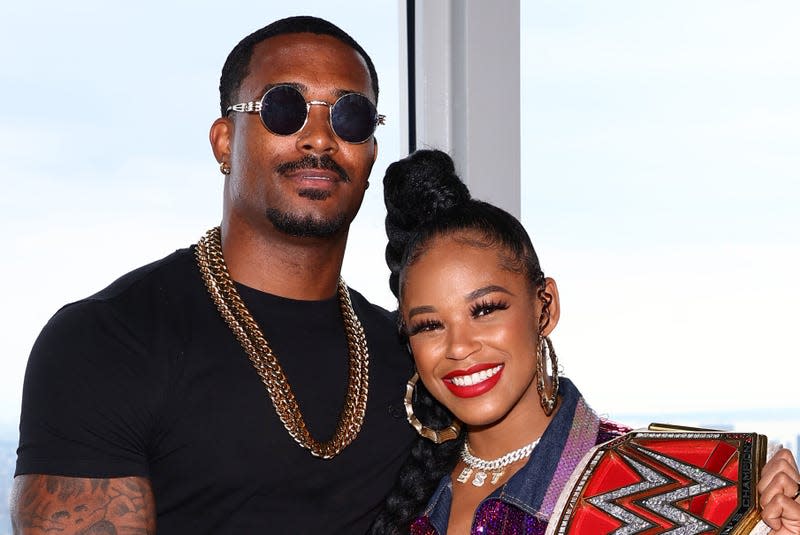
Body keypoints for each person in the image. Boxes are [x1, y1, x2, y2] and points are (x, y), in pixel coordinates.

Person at [11, 16, 414, 534]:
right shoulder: (107, 340)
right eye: (284, 109)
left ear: (371, 153)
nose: (319, 137)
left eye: (350, 117)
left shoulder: (412, 351)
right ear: (224, 143)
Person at [370, 149, 800, 535]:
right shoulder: (396, 489)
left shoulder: (692, 488)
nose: (459, 346)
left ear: (545, 307)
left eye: (485, 310)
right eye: (429, 326)